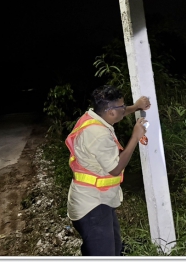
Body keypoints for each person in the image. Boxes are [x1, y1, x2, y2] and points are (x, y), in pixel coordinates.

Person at [66, 84, 151, 256]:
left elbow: (120, 111)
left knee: (115, 247)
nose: (124, 109)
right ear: (110, 111)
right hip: (92, 206)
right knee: (104, 254)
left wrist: (136, 106)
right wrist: (135, 137)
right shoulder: (97, 134)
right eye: (122, 106)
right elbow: (115, 168)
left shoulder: (94, 116)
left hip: (100, 198)